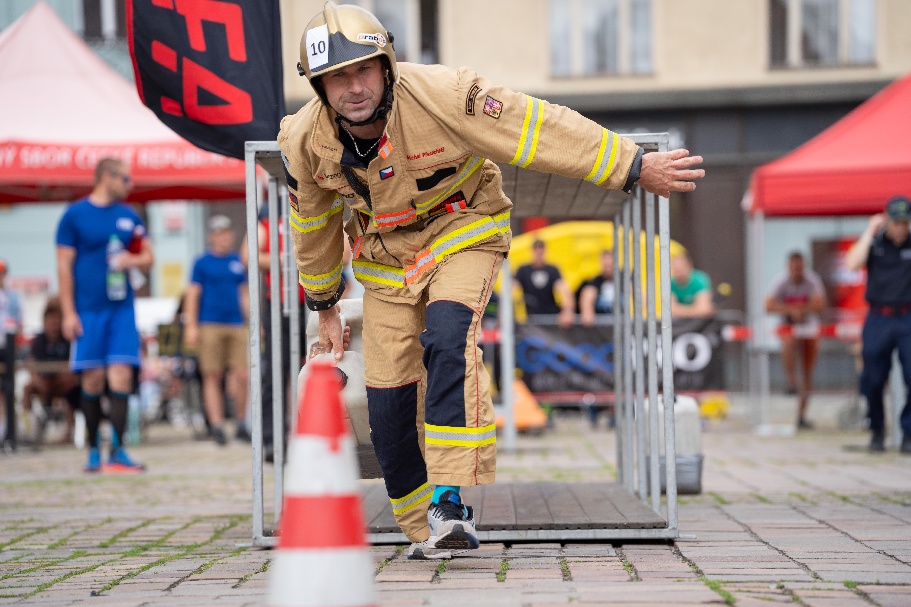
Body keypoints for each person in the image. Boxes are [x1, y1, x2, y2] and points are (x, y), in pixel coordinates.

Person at [279, 1, 704, 558]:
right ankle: (423, 526)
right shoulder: (303, 139)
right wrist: (325, 304)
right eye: (335, 78)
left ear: (386, 65)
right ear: (318, 87)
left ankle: (450, 498)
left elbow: (538, 127)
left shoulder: (447, 94)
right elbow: (311, 222)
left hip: (463, 229)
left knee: (448, 335)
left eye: (361, 70)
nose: (352, 88)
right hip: (385, 261)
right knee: (386, 404)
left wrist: (630, 165)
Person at [56, 157, 153, 472]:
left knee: (121, 373)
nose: (130, 185)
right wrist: (69, 312)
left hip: (121, 309)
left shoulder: (129, 216)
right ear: (106, 177)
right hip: (88, 310)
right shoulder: (74, 215)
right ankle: (95, 449)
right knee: (93, 377)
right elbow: (63, 267)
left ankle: (119, 450)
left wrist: (132, 261)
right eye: (125, 179)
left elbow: (148, 256)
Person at [844, 195, 911, 454]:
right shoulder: (875, 243)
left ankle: (907, 433)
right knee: (872, 378)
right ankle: (877, 430)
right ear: (887, 221)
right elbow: (852, 263)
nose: (901, 228)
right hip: (879, 316)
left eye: (905, 222)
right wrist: (869, 231)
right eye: (896, 222)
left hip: (907, 316)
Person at [184, 215, 250, 446]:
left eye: (227, 232)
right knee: (213, 375)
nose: (224, 237)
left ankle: (241, 422)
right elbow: (193, 294)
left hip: (235, 323)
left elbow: (244, 294)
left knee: (242, 375)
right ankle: (218, 425)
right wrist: (191, 325)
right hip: (209, 323)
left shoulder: (237, 261)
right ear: (212, 236)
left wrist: (253, 321)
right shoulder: (201, 262)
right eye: (220, 233)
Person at [765, 252, 826, 430]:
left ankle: (801, 414)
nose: (796, 271)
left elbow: (820, 304)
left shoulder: (812, 281)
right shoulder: (781, 281)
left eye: (799, 268)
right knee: (787, 342)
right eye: (793, 268)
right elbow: (768, 305)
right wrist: (791, 311)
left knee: (807, 370)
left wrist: (799, 310)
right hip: (789, 327)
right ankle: (791, 381)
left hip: (809, 328)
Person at [22, 297, 81, 444]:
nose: (54, 324)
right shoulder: (39, 340)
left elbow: (72, 369)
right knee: (27, 389)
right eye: (50, 320)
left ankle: (69, 432)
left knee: (71, 390)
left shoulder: (67, 339)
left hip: (62, 384)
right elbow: (31, 364)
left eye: (56, 320)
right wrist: (38, 380)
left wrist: (60, 380)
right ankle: (28, 429)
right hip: (44, 383)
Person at [515, 239, 575, 328]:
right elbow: (511, 289)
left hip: (551, 318)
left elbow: (564, 290)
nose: (539, 255)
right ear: (532, 251)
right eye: (537, 251)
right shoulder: (523, 270)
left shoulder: (552, 270)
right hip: (531, 318)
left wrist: (567, 310)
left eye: (541, 251)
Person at [0, 259, 23, 445]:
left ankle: (8, 432)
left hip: (8, 346)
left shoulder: (13, 297)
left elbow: (19, 322)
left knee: (9, 389)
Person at [669, 251, 715, 318]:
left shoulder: (700, 280)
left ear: (689, 265)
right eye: (675, 268)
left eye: (681, 267)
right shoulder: (670, 283)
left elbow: (704, 309)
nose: (679, 270)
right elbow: (671, 310)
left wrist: (679, 310)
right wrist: (695, 309)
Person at [579, 249, 616, 327]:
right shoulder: (596, 281)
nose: (608, 268)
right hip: (601, 327)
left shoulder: (624, 279)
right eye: (606, 265)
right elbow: (587, 296)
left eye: (610, 265)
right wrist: (587, 311)